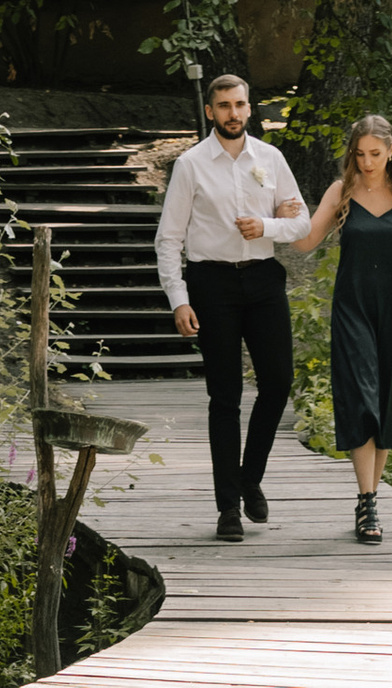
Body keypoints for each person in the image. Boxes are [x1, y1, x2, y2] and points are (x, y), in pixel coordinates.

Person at [152, 71, 308, 541]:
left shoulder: (272, 158)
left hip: (263, 280)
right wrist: (179, 299)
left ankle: (249, 477)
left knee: (278, 382)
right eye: (224, 106)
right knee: (224, 399)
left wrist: (268, 227)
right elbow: (168, 239)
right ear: (210, 111)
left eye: (240, 105)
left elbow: (300, 222)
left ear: (248, 106)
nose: (233, 114)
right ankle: (228, 510)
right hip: (212, 283)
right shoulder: (191, 164)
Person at [291, 112, 392, 544]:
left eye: (375, 153)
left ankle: (368, 499)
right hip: (352, 307)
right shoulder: (341, 190)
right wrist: (283, 215)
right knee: (362, 398)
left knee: (387, 402)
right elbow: (305, 241)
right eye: (359, 155)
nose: (367, 162)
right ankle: (368, 499)